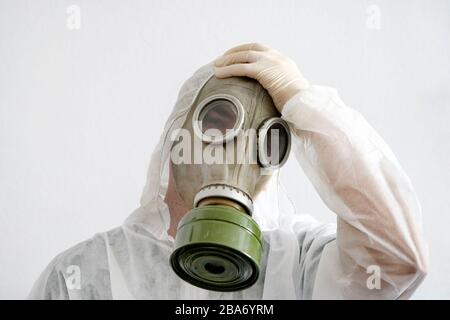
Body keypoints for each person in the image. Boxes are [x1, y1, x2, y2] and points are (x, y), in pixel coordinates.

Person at [29, 43, 428, 299]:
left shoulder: (303, 264)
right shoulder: (82, 276)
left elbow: (397, 259)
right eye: (218, 121)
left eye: (265, 140)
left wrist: (304, 103)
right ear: (175, 138)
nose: (238, 153)